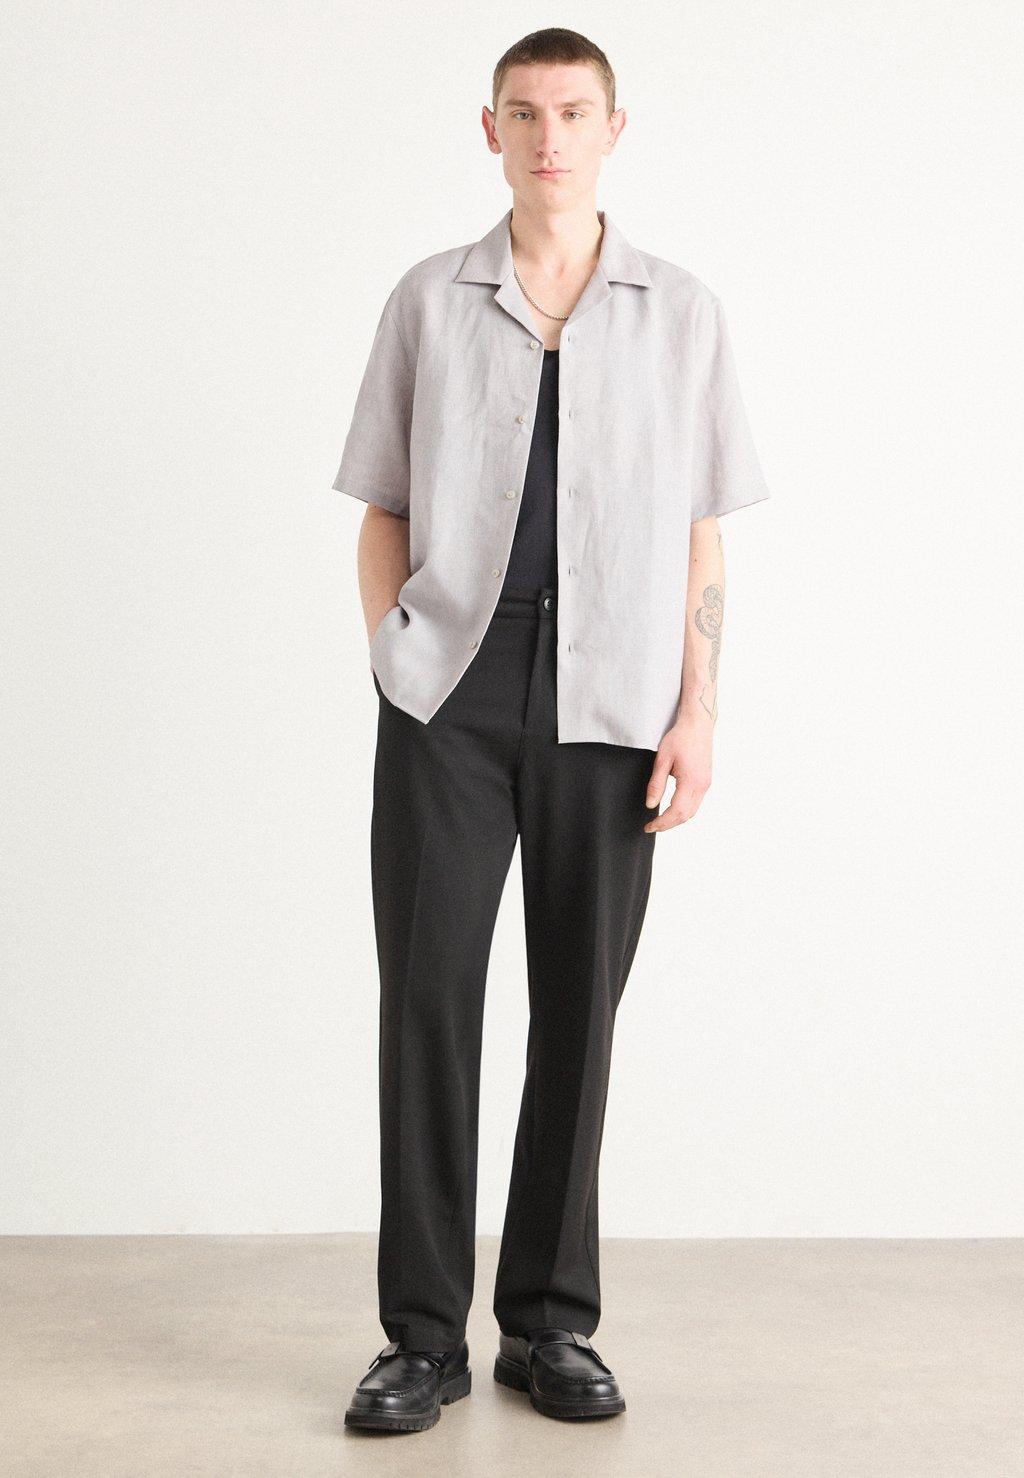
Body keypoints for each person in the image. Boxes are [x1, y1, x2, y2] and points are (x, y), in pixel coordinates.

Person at [335, 27, 772, 1433]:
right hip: (451, 696)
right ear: (491, 131)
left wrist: (699, 709)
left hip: (616, 700)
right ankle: (421, 1337)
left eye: (574, 112)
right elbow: (382, 506)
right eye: (524, 113)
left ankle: (549, 1323)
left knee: (579, 1010)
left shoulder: (682, 312)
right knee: (429, 1003)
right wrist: (399, 659)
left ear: (613, 128)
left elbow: (701, 531)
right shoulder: (429, 299)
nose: (550, 138)